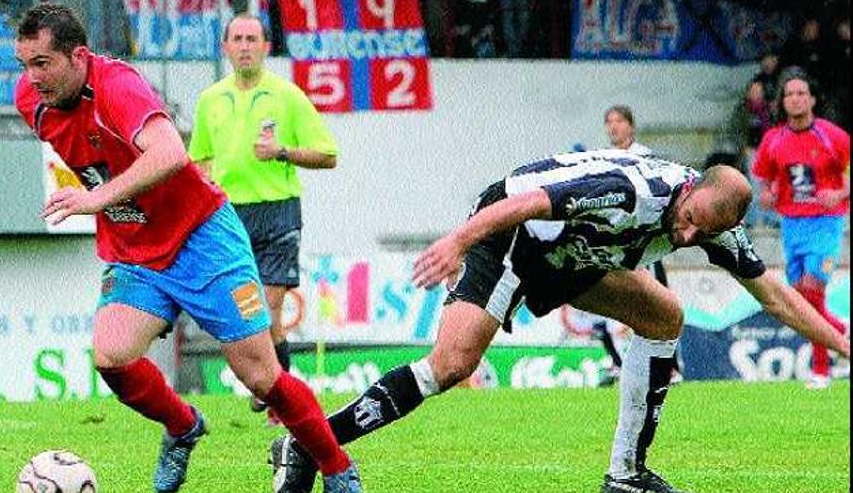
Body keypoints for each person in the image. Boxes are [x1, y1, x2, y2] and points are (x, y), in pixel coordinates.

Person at [270, 149, 850, 493]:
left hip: (571, 255)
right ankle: (308, 442)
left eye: (702, 234)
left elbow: (775, 296)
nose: (688, 236)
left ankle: (626, 474)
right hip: (510, 235)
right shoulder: (627, 193)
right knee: (451, 365)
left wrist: (842, 345)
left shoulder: (714, 221)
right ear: (690, 188)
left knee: (663, 314)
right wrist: (457, 241)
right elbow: (527, 204)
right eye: (691, 220)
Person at [13, 4, 360, 492]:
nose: (32, 78)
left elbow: (171, 153)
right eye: (24, 64)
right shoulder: (31, 100)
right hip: (135, 249)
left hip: (202, 239)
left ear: (79, 56)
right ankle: (183, 427)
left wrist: (95, 200)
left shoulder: (117, 86)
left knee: (260, 375)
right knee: (111, 356)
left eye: (42, 63)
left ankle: (338, 469)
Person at [187, 14, 338, 423]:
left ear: (266, 46)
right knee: (243, 311)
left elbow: (328, 154)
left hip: (278, 211)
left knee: (268, 309)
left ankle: (277, 398)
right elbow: (199, 158)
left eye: (252, 38)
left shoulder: (287, 96)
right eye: (237, 39)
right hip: (228, 216)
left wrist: (282, 152)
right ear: (225, 47)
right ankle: (273, 385)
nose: (245, 46)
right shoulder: (210, 100)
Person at [751, 66, 850, 390]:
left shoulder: (832, 136)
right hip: (791, 226)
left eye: (801, 93)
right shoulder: (773, 139)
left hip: (826, 223)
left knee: (811, 291)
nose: (795, 99)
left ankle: (821, 370)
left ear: (812, 99)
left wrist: (839, 193)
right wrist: (767, 195)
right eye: (789, 94)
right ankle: (839, 328)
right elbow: (763, 180)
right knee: (803, 302)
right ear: (782, 101)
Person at [603, 105, 683, 384]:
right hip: (619, 243)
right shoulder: (605, 159)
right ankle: (618, 363)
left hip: (645, 242)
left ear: (631, 126)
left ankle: (671, 367)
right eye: (609, 122)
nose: (614, 127)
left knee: (660, 301)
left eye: (619, 121)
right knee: (615, 302)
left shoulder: (644, 156)